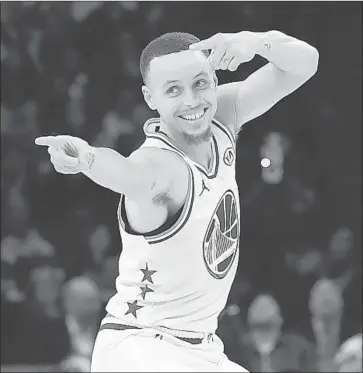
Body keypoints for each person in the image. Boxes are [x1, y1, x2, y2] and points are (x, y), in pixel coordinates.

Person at [35, 30, 318, 371]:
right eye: (173, 90)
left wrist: (255, 42)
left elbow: (305, 64)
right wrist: (89, 159)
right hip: (140, 345)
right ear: (149, 97)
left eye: (200, 84)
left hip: (203, 346)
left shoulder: (224, 115)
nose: (191, 101)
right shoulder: (160, 165)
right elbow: (127, 172)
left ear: (215, 80)